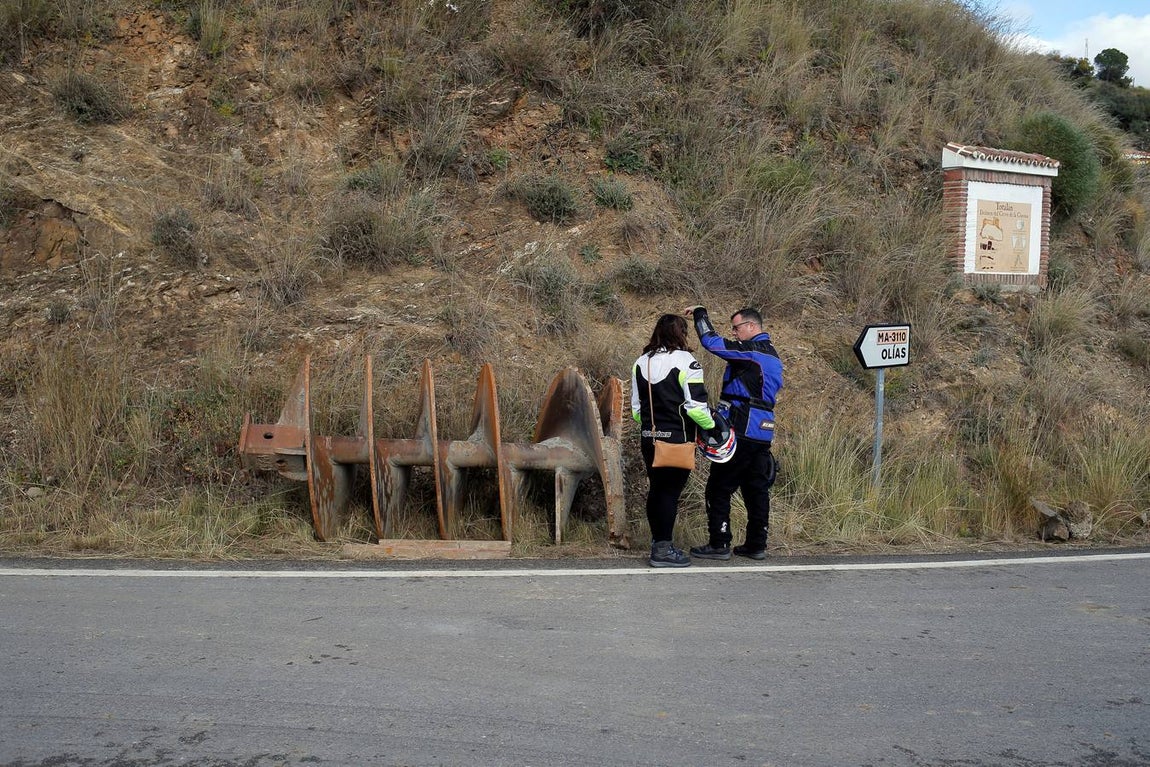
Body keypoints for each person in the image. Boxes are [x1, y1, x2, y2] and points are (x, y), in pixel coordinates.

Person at [684, 306, 783, 560]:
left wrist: (700, 315)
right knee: (756, 490)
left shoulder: (752, 352)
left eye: (737, 328)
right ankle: (756, 544)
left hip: (742, 429)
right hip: (763, 431)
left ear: (752, 327)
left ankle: (719, 542)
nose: (734, 333)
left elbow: (712, 343)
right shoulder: (773, 355)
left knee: (718, 487)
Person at [631, 313, 717, 568]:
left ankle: (659, 542)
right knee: (669, 493)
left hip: (649, 437)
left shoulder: (641, 362)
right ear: (681, 333)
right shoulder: (687, 362)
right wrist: (713, 427)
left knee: (656, 491)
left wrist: (652, 426)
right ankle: (663, 549)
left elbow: (637, 410)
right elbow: (696, 407)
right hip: (677, 439)